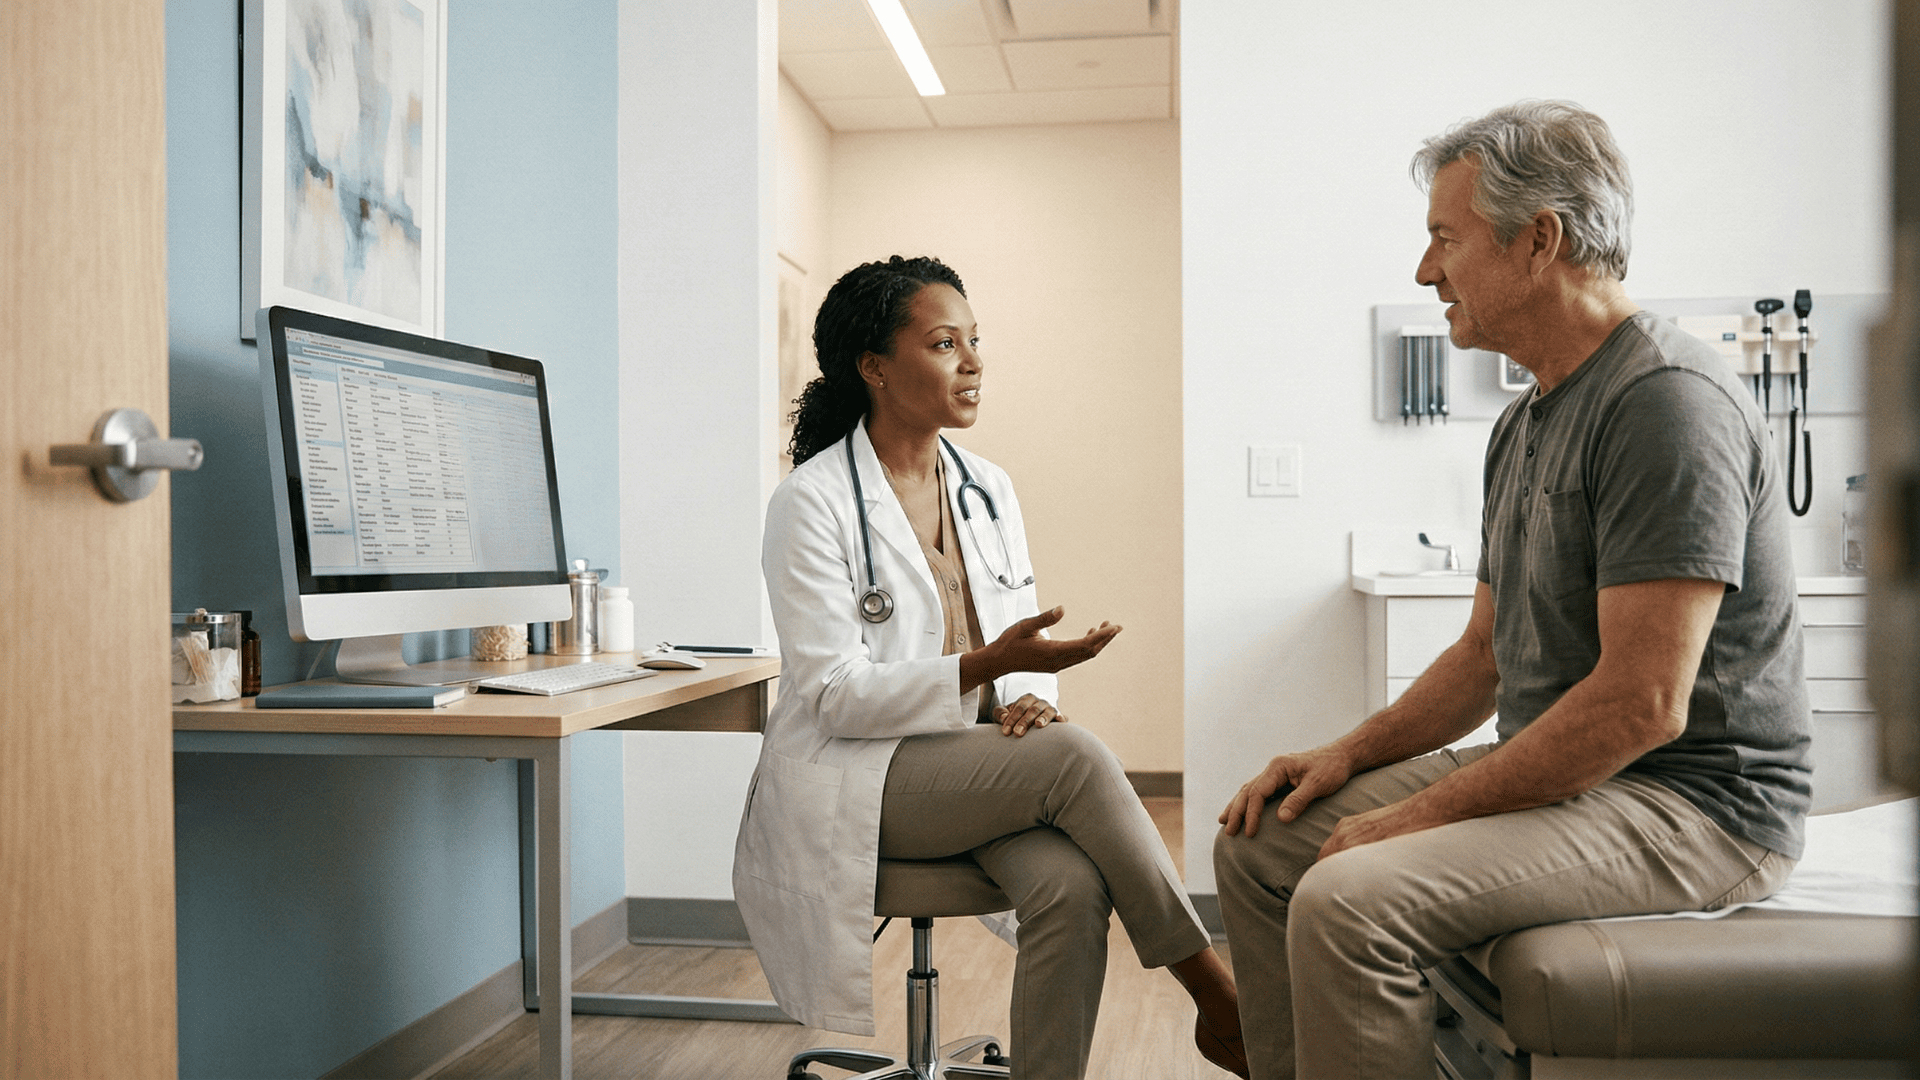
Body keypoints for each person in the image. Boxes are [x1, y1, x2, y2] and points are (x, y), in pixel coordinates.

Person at [1213, 101, 1813, 1080]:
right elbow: (1483, 654)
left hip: (1696, 809)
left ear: (1540, 240)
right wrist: (1342, 756)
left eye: (1443, 239)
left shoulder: (1665, 404)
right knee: (1261, 843)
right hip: (1588, 778)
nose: (1424, 271)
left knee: (1351, 895)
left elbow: (1642, 706)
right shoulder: (1527, 419)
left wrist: (1406, 821)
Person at [734, 255, 1246, 1079]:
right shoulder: (812, 503)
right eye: (945, 343)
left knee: (1071, 887)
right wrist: (979, 671)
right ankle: (1216, 998)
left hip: (978, 768)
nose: (973, 362)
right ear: (874, 367)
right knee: (1076, 760)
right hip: (865, 774)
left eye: (975, 341)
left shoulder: (987, 487)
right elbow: (833, 698)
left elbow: (1021, 637)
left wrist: (1030, 697)